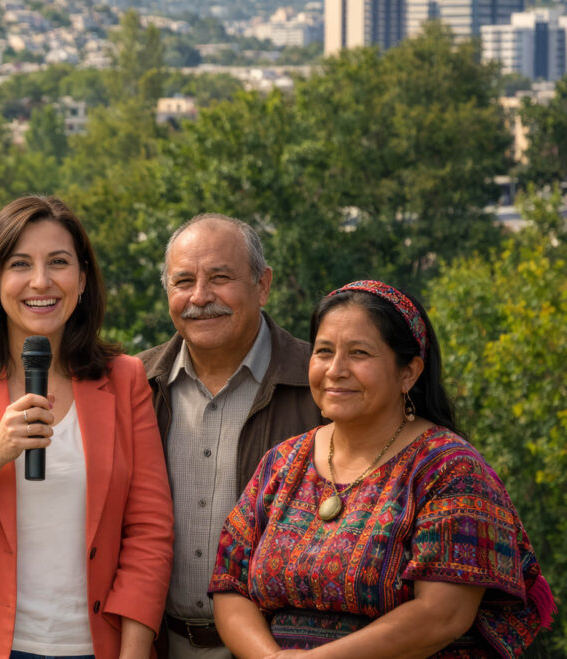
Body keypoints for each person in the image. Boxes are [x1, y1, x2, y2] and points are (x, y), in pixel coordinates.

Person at [211, 280, 556, 657]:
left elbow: (442, 614)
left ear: (408, 372)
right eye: (324, 351)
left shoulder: (450, 470)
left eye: (359, 353)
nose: (336, 370)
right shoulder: (283, 462)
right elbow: (231, 584)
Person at [0, 195, 174, 658]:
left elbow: (150, 530)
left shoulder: (124, 379)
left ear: (82, 279)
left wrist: (134, 650)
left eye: (58, 263)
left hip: (92, 645)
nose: (41, 281)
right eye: (20, 263)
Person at [136, 214, 323, 657]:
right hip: (157, 644)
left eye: (220, 277)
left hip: (281, 647)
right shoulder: (133, 385)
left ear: (262, 285)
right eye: (183, 281)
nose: (200, 297)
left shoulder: (320, 385)